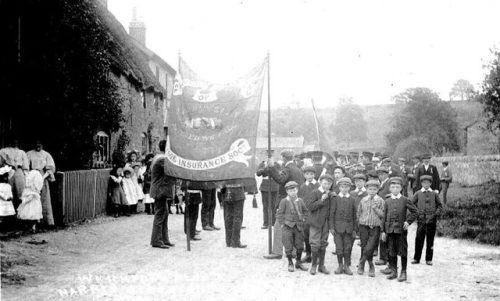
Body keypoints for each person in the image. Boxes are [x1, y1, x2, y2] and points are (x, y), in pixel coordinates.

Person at [264, 149, 305, 260]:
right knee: (293, 226)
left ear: (284, 158)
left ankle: (277, 252)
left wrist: (272, 167)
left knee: (278, 226)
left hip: (285, 201)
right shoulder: (297, 169)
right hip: (296, 200)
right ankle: (294, 252)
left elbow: (280, 179)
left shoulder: (288, 168)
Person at [380, 177, 417, 282]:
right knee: (391, 251)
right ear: (389, 189)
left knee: (403, 251)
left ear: (401, 188)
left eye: (397, 187)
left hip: (401, 231)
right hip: (390, 230)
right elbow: (384, 216)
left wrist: (408, 222)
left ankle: (403, 272)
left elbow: (415, 211)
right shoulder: (387, 201)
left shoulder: (405, 200)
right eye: (392, 187)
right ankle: (394, 270)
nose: (395, 189)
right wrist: (383, 231)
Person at [276, 181, 309, 272]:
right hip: (287, 227)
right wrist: (283, 224)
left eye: (294, 190)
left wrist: (303, 220)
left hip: (298, 226)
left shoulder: (300, 201)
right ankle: (290, 262)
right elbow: (279, 214)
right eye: (290, 191)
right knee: (288, 246)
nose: (292, 192)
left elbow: (306, 211)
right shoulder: (284, 201)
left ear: (297, 190)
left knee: (300, 245)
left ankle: (298, 262)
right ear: (287, 192)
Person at [307, 174, 336, 275]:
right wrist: (321, 200)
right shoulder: (315, 192)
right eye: (324, 183)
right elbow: (310, 207)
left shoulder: (331, 194)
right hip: (315, 222)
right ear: (320, 182)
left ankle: (321, 265)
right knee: (315, 244)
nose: (326, 185)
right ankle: (314, 265)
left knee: (323, 243)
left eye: (329, 184)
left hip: (325, 223)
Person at [412, 175, 443, 266]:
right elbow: (411, 204)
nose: (426, 184)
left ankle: (429, 259)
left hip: (431, 221)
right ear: (421, 183)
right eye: (424, 182)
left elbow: (440, 206)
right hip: (421, 220)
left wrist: (435, 214)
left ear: (430, 183)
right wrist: (417, 212)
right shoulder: (418, 193)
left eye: (428, 182)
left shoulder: (434, 194)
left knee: (430, 240)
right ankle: (416, 258)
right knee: (419, 239)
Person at [149, 140, 175, 249]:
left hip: (160, 190)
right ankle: (157, 241)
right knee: (160, 215)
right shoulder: (162, 159)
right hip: (160, 190)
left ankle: (164, 239)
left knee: (164, 214)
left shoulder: (158, 157)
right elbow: (172, 171)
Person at [356, 180, 385, 277]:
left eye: (374, 189)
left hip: (375, 227)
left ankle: (362, 262)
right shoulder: (363, 200)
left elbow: (383, 215)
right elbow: (359, 212)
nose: (372, 191)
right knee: (364, 245)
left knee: (371, 246)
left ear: (377, 190)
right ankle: (369, 265)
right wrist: (359, 223)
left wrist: (376, 208)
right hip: (364, 226)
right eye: (370, 189)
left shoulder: (380, 201)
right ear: (367, 189)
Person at [330, 177, 357, 275]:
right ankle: (340, 265)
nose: (344, 189)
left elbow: (355, 215)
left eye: (346, 187)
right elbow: (332, 214)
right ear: (339, 187)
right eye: (342, 187)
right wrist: (332, 227)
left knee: (347, 247)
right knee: (339, 248)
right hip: (337, 228)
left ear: (349, 188)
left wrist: (354, 229)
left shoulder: (352, 199)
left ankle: (346, 266)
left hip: (349, 229)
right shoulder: (335, 199)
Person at [27, 141, 56, 227]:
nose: (38, 146)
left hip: (42, 176)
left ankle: (45, 221)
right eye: (36, 144)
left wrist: (42, 178)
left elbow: (50, 168)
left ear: (42, 145)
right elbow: (25, 166)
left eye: (40, 144)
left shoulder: (46, 155)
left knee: (44, 198)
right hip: (32, 177)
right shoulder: (29, 154)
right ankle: (32, 221)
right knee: (32, 198)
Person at [298, 166, 319, 263]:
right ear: (304, 175)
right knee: (306, 234)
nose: (309, 176)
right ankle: (308, 254)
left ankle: (317, 255)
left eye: (311, 174)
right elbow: (300, 200)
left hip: (315, 213)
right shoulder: (302, 186)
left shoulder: (318, 185)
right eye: (307, 174)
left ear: (314, 175)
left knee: (315, 235)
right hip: (306, 214)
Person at [0, 139, 29, 208]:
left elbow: (25, 165)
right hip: (8, 171)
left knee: (21, 191)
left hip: (19, 171)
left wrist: (26, 175)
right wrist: (4, 171)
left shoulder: (21, 152)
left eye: (16, 141)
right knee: (8, 192)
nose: (15, 143)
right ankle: (9, 214)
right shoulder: (3, 151)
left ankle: (20, 212)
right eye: (13, 141)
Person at [221, 182, 246, 248]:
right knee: (238, 217)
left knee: (228, 217)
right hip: (238, 192)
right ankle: (235, 241)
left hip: (227, 192)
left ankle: (228, 241)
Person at [256, 160, 280, 229]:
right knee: (265, 206)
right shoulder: (262, 164)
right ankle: (266, 223)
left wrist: (272, 167)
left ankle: (273, 222)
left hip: (274, 187)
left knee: (274, 206)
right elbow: (258, 173)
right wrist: (266, 168)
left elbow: (279, 173)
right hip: (265, 187)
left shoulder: (276, 163)